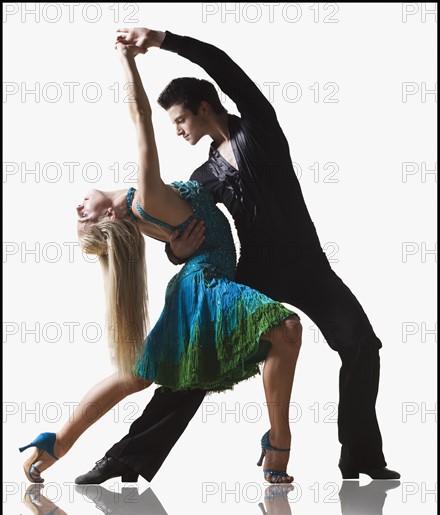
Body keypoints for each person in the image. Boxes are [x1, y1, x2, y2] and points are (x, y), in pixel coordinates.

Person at [73, 27, 400, 484]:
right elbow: (183, 232)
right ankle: (127, 458)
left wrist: (163, 40)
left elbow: (220, 63)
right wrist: (174, 250)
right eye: (170, 124)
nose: (178, 130)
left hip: (310, 268)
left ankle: (360, 456)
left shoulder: (259, 128)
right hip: (254, 273)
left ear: (204, 108)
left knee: (362, 344)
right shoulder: (202, 176)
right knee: (197, 362)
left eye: (180, 120)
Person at [19, 39, 302, 486]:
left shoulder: (144, 212)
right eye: (84, 218)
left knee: (136, 376)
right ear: (110, 217)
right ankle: (279, 443)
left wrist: (177, 250)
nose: (78, 209)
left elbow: (180, 243)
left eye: (79, 215)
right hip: (206, 283)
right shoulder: (145, 195)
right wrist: (127, 61)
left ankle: (56, 443)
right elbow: (141, 118)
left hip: (192, 283)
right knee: (285, 329)